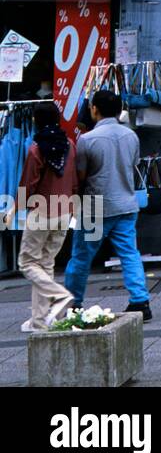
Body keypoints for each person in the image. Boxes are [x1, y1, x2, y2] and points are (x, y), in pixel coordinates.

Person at [63, 89, 152, 322]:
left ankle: (74, 303)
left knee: (81, 257)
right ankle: (140, 301)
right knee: (129, 253)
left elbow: (81, 175)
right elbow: (134, 166)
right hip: (126, 203)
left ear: (94, 109)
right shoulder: (131, 136)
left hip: (96, 206)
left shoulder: (87, 139)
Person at [9, 102, 78, 331]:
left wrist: (13, 209)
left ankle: (60, 296)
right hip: (64, 211)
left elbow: (28, 184)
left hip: (41, 213)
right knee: (45, 263)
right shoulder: (69, 144)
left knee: (27, 263)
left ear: (36, 121)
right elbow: (75, 181)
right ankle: (39, 321)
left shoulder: (36, 149)